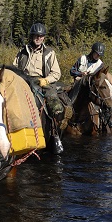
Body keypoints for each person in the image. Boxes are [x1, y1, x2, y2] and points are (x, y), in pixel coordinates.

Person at [13, 22, 69, 153]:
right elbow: (14, 67)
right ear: (31, 36)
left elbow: (56, 73)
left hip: (42, 81)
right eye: (36, 36)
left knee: (54, 105)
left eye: (41, 36)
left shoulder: (49, 53)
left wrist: (46, 80)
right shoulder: (22, 51)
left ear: (44, 37)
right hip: (24, 80)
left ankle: (55, 131)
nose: (38, 38)